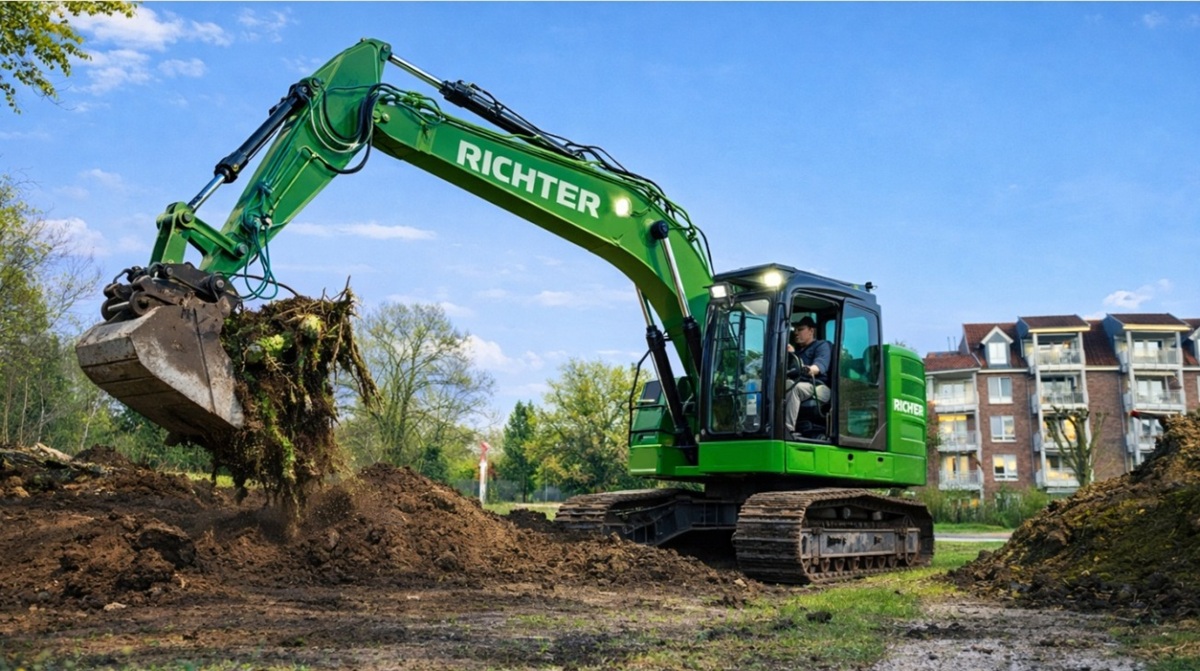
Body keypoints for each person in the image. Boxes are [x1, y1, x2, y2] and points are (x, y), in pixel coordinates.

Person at [786, 316, 832, 437]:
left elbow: (820, 366)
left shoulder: (821, 346)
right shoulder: (797, 352)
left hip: (817, 385)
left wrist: (809, 369)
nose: (796, 332)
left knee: (793, 387)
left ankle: (787, 429)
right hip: (800, 382)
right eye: (795, 330)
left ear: (811, 331)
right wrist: (790, 354)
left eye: (800, 329)